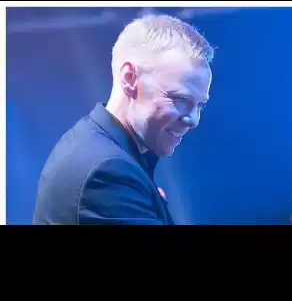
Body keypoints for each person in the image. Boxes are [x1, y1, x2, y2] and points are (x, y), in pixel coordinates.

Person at [33, 14, 214, 225]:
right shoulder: (107, 172)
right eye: (180, 99)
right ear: (130, 78)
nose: (194, 120)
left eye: (200, 105)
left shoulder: (95, 146)